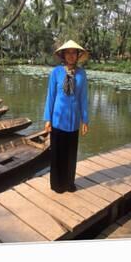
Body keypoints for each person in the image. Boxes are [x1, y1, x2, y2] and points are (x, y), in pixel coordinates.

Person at [43, 40, 90, 193]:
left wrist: (85, 120)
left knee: (70, 155)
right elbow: (50, 96)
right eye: (68, 52)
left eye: (73, 52)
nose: (71, 55)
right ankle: (57, 184)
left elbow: (83, 98)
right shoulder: (56, 72)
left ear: (78, 55)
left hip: (74, 121)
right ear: (63, 55)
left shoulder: (82, 74)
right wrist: (48, 119)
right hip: (57, 120)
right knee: (57, 154)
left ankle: (69, 183)